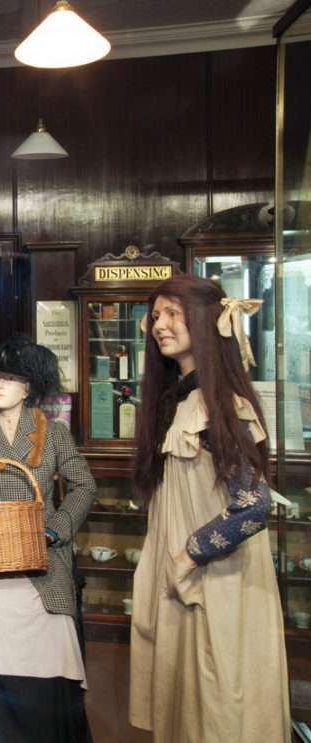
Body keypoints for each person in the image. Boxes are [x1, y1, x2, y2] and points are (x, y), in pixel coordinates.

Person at [129, 273, 289, 742]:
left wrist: (187, 555)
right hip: (191, 587)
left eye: (174, 314)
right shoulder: (180, 401)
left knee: (218, 712)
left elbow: (253, 505)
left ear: (205, 321)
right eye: (157, 316)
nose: (160, 324)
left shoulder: (221, 406)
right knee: (189, 708)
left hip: (217, 587)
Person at [0, 334, 96, 743]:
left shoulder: (54, 435)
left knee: (55, 622)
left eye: (10, 378)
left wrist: (57, 528)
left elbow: (84, 486)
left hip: (44, 556)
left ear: (28, 388)